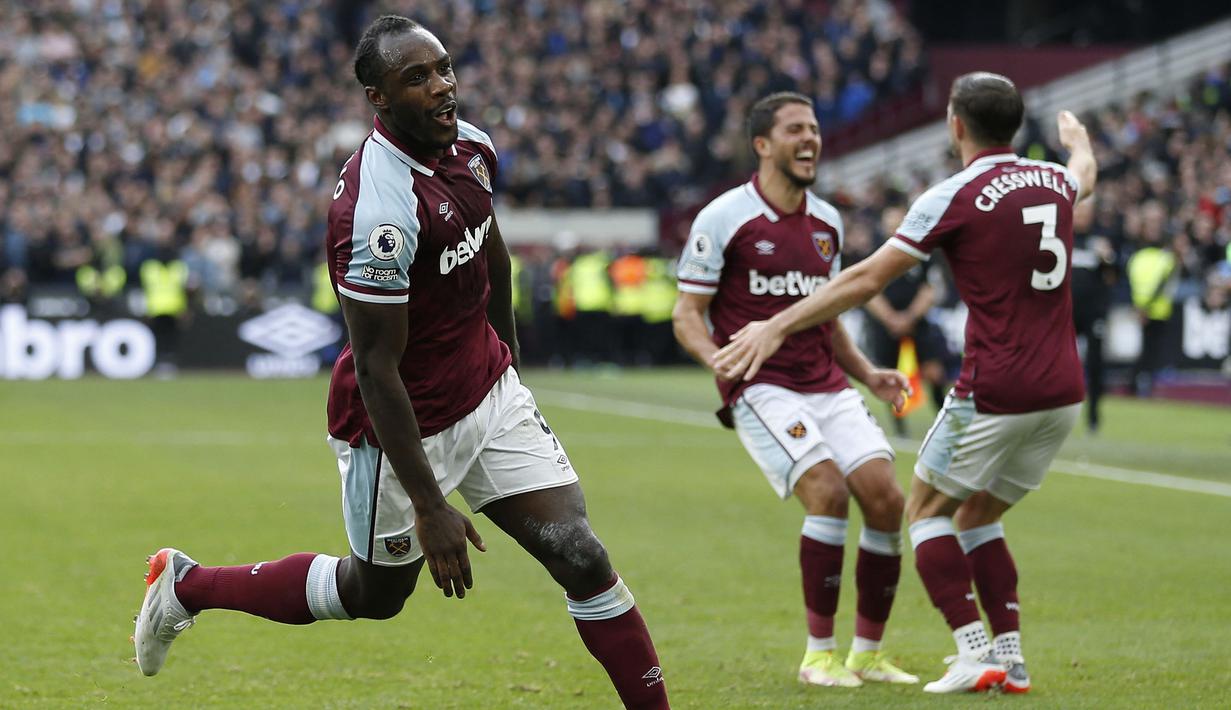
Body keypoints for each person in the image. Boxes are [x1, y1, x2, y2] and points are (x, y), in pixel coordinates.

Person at [133, 17, 669, 709]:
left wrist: (507, 368)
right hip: (401, 428)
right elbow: (376, 367)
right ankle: (188, 586)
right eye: (416, 78)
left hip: (486, 390)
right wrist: (429, 504)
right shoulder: (375, 213)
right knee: (374, 595)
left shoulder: (471, 145)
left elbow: (490, 253)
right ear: (377, 99)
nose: (442, 87)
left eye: (443, 68)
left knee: (581, 554)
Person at [713, 74, 1097, 695]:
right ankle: (1012, 659)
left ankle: (972, 649)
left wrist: (776, 325)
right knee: (978, 518)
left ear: (955, 126)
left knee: (921, 512)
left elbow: (864, 280)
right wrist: (1078, 140)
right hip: (1062, 393)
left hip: (995, 390)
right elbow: (1085, 171)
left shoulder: (954, 194)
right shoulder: (1055, 179)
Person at [672, 92, 918, 689]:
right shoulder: (724, 217)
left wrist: (869, 373)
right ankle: (818, 656)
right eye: (795, 130)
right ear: (762, 145)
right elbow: (686, 313)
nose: (810, 139)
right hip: (764, 386)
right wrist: (719, 361)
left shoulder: (828, 223)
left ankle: (867, 654)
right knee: (828, 493)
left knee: (886, 499)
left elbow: (826, 319)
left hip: (827, 383)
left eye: (814, 129)